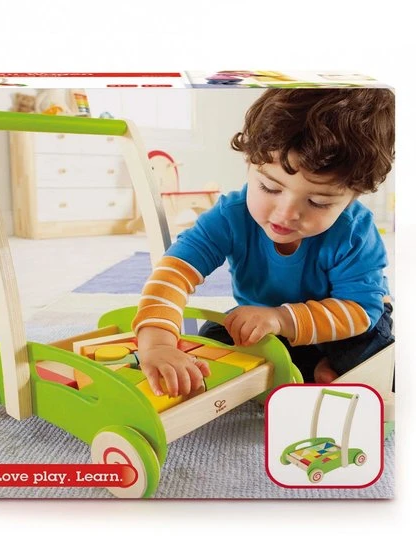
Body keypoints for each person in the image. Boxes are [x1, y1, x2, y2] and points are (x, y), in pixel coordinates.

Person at [132, 88, 395, 398]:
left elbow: (360, 310)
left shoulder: (354, 233)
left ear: (354, 195)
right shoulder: (231, 216)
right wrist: (157, 341)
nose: (286, 214)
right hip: (268, 323)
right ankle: (315, 371)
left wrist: (281, 318)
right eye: (270, 188)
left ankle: (327, 368)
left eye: (318, 202)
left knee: (373, 356)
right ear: (249, 162)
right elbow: (175, 270)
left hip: (345, 324)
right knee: (215, 338)